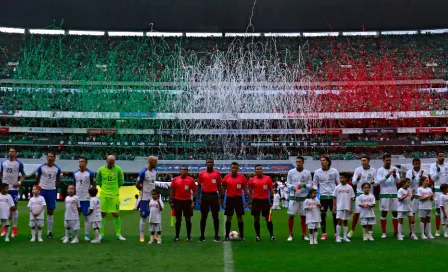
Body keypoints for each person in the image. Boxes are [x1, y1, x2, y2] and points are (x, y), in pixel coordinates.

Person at [96, 155, 126, 240]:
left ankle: (118, 234)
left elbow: (121, 181)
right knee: (102, 213)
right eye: (110, 162)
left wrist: (115, 189)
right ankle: (101, 234)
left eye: (113, 162)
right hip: (104, 194)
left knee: (116, 213)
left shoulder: (118, 169)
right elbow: (98, 181)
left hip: (114, 195)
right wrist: (104, 188)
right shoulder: (101, 170)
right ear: (106, 161)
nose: (111, 164)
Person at [348, 156, 376, 239]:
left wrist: (374, 182)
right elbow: (353, 182)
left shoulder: (373, 170)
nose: (363, 162)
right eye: (362, 160)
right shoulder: (358, 170)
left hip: (370, 194)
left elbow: (377, 181)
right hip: (360, 194)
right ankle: (352, 230)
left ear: (368, 161)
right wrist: (358, 178)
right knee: (357, 213)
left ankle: (368, 234)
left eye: (364, 160)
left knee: (369, 214)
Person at [313, 156, 340, 240]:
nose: (322, 162)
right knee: (322, 215)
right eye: (321, 160)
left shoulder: (334, 171)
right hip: (323, 197)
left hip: (333, 197)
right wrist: (315, 191)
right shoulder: (317, 172)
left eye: (323, 160)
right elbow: (314, 183)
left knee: (335, 215)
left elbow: (338, 183)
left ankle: (336, 233)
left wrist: (338, 194)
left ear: (328, 162)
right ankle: (324, 233)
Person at [0, 148, 25, 238]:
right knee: (3, 207)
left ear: (16, 153)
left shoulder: (19, 163)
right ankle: (4, 226)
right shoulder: (3, 162)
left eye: (13, 151)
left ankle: (14, 227)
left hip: (13, 189)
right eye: (10, 151)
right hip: (4, 188)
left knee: (14, 208)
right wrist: (1, 184)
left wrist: (19, 183)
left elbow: (23, 175)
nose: (11, 153)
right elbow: (0, 172)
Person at [35, 152, 61, 239]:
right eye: (48, 156)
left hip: (52, 192)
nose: (50, 158)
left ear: (54, 158)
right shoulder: (41, 168)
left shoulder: (57, 169)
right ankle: (35, 232)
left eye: (51, 156)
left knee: (50, 212)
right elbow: (37, 178)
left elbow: (58, 180)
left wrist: (53, 187)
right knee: (38, 211)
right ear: (46, 157)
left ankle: (49, 232)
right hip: (42, 191)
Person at [286, 156, 312, 241]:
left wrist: (304, 185)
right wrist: (292, 187)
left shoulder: (307, 173)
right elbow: (288, 183)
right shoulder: (291, 172)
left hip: (303, 197)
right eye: (297, 161)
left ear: (303, 162)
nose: (298, 163)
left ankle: (304, 234)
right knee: (291, 215)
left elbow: (310, 185)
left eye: (300, 161)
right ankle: (290, 234)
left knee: (303, 216)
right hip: (293, 197)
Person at [375, 154, 400, 238]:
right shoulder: (380, 170)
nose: (388, 162)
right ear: (383, 160)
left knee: (395, 212)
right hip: (384, 193)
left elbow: (398, 181)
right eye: (387, 160)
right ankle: (384, 233)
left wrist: (395, 175)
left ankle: (396, 232)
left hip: (394, 193)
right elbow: (379, 182)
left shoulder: (395, 169)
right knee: (384, 212)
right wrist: (388, 175)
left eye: (389, 160)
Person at [248, 165, 275, 242]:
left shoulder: (268, 178)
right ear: (255, 171)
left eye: (260, 169)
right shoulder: (252, 180)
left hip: (265, 201)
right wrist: (250, 202)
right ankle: (258, 236)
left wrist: (271, 201)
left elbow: (271, 190)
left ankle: (272, 235)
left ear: (262, 170)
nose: (259, 170)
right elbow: (250, 191)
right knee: (256, 219)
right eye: (257, 169)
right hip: (256, 201)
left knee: (268, 219)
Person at [221, 162, 248, 241]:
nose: (234, 169)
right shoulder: (226, 177)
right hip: (229, 199)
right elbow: (223, 189)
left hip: (238, 199)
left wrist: (246, 200)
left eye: (235, 168)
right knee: (228, 218)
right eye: (233, 168)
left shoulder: (242, 177)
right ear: (230, 168)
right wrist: (223, 200)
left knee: (240, 218)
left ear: (238, 168)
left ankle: (242, 235)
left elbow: (245, 189)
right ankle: (226, 235)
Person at [197, 158, 222, 242]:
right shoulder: (201, 174)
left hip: (214, 196)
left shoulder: (217, 174)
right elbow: (199, 186)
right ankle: (202, 236)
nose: (210, 164)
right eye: (208, 162)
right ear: (206, 164)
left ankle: (216, 236)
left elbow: (219, 186)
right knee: (203, 217)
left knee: (215, 216)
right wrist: (198, 198)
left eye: (211, 162)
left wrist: (220, 197)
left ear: (213, 164)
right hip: (205, 196)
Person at [169, 166, 196, 242]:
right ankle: (177, 236)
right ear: (180, 171)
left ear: (187, 171)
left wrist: (193, 201)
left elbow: (194, 191)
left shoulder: (191, 180)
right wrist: (171, 201)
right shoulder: (175, 179)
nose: (183, 171)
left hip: (187, 201)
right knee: (178, 220)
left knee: (188, 219)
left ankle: (188, 236)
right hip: (177, 201)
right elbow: (172, 190)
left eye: (185, 170)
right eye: (182, 170)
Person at [136, 156, 158, 242]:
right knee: (143, 216)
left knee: (153, 217)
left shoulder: (155, 172)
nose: (156, 164)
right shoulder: (143, 172)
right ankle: (141, 235)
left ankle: (153, 235)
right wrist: (143, 191)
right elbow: (137, 184)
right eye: (155, 162)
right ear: (150, 162)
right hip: (144, 198)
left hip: (153, 199)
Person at [72, 157, 95, 241]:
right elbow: (74, 185)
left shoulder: (90, 173)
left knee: (86, 217)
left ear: (86, 163)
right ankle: (72, 234)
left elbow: (93, 185)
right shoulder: (75, 173)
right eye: (79, 161)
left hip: (86, 199)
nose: (80, 163)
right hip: (77, 199)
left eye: (82, 162)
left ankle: (87, 234)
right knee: (74, 217)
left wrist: (91, 196)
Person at [406, 158, 428, 236]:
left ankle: (423, 231)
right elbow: (408, 183)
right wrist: (413, 177)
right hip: (413, 195)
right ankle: (411, 231)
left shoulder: (424, 172)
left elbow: (425, 183)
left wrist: (421, 177)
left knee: (424, 214)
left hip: (422, 195)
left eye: (419, 164)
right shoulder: (409, 172)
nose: (417, 165)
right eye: (416, 164)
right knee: (412, 214)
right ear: (413, 164)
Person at [429, 151, 448, 236]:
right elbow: (433, 179)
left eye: (443, 156)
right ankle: (437, 230)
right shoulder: (433, 166)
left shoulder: (447, 165)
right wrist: (437, 170)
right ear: (437, 157)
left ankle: (446, 231)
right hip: (437, 190)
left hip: (446, 191)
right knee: (438, 211)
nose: (442, 157)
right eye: (440, 156)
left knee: (446, 211)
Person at [333, 174, 355, 243]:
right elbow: (334, 197)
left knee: (346, 221)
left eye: (342, 178)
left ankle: (345, 236)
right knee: (339, 221)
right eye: (340, 178)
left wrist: (351, 207)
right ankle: (338, 236)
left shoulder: (350, 187)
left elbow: (352, 198)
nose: (341, 179)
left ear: (346, 178)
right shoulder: (337, 187)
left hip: (347, 207)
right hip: (339, 207)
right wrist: (334, 206)